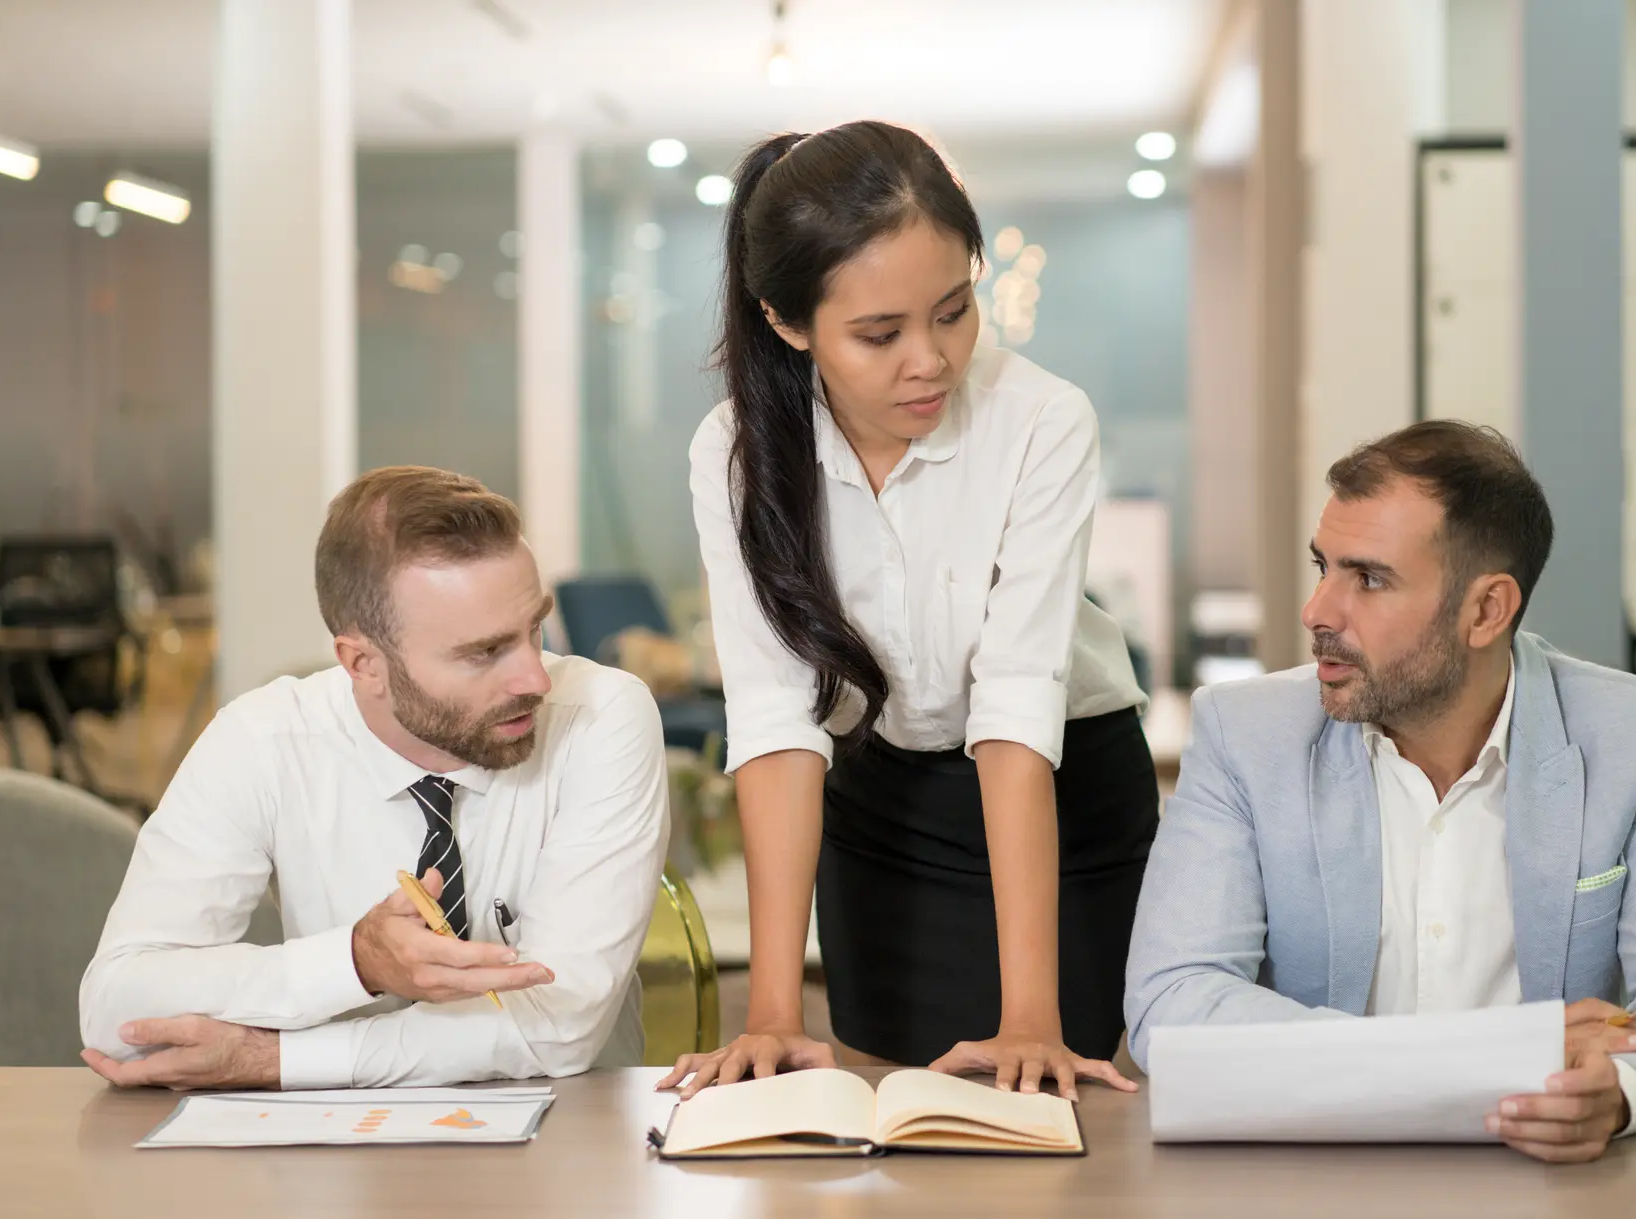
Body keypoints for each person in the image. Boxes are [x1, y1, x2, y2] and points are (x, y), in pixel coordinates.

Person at [662, 121, 1157, 1101]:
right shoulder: (738, 452)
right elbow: (774, 720)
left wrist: (1031, 1014)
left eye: (953, 309)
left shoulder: (1042, 419)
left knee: (1048, 1107)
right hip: (881, 801)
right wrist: (769, 1011)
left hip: (1059, 789)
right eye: (881, 334)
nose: (930, 360)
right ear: (788, 320)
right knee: (883, 1097)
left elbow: (1017, 705)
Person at [1125, 421, 1636, 1163]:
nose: (1318, 612)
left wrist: (1621, 1091)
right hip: (1313, 1186)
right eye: (1321, 567)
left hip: (1557, 1195)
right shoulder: (1246, 735)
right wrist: (1475, 1058)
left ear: (1487, 610)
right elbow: (1173, 1002)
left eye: (1368, 579)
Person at [79, 466, 669, 1090]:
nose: (536, 679)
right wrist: (355, 962)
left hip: (578, 1137)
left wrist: (279, 1060)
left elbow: (557, 1028)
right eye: (485, 652)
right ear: (363, 664)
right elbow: (116, 1010)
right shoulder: (262, 741)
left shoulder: (602, 717)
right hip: (342, 1152)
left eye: (535, 630)